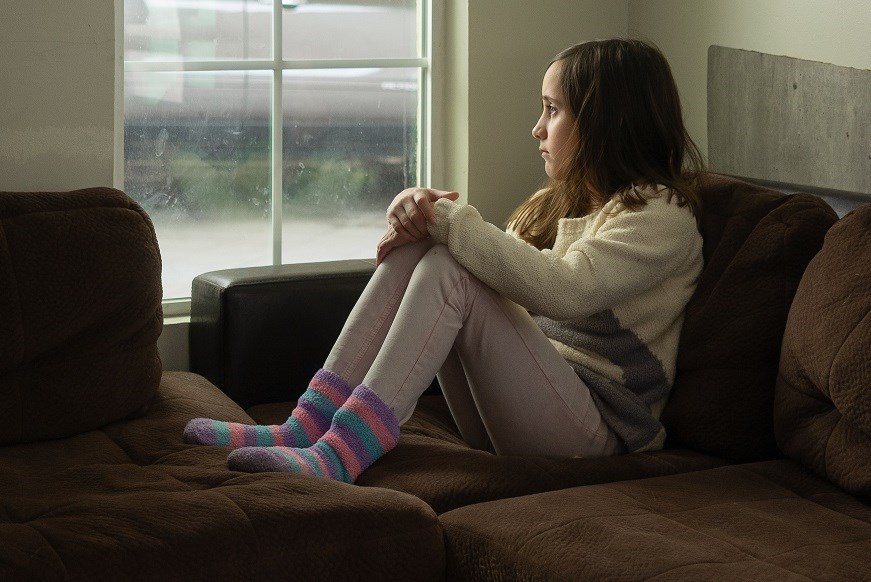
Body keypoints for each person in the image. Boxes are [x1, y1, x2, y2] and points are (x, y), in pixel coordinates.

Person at [183, 38, 705, 483]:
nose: (537, 129)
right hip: (526, 411)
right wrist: (416, 214)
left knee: (452, 260)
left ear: (603, 123)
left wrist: (448, 222)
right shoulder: (558, 203)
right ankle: (306, 425)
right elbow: (491, 270)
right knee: (437, 250)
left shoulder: (661, 216)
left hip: (600, 435)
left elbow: (565, 290)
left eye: (553, 109)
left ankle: (342, 453)